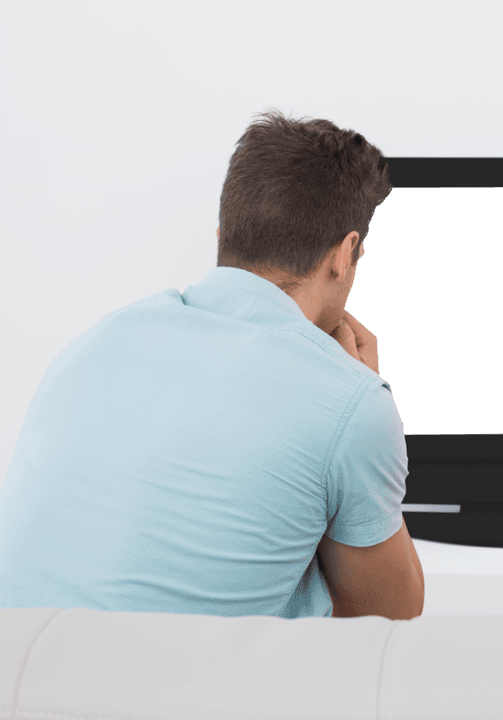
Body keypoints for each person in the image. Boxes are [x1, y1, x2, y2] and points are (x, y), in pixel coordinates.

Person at [0, 113, 424, 619]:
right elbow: (388, 620)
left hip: (20, 686)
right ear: (346, 253)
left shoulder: (93, 342)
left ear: (224, 233)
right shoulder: (351, 401)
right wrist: (360, 387)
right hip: (174, 695)